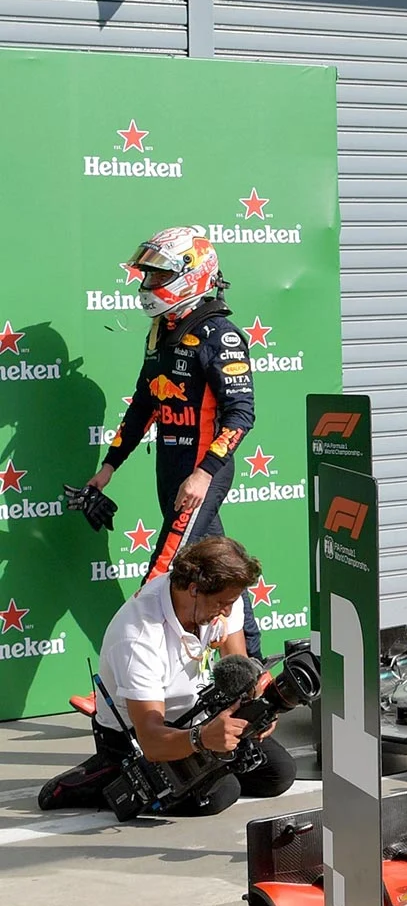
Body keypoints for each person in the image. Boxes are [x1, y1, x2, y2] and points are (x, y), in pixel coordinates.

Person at [86, 227, 260, 659]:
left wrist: (203, 475)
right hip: (171, 474)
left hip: (200, 476)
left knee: (160, 578)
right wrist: (108, 467)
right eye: (147, 276)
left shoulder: (220, 335)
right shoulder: (160, 331)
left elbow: (241, 416)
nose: (149, 286)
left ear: (193, 275)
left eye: (159, 276)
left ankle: (128, 686)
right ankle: (250, 668)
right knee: (224, 569)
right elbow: (143, 406)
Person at [37, 537, 293, 815]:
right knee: (221, 792)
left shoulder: (222, 595)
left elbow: (239, 671)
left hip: (196, 714)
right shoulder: (138, 635)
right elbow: (151, 739)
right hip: (140, 736)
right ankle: (107, 776)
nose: (228, 611)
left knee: (277, 774)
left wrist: (257, 714)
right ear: (194, 589)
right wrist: (203, 739)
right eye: (222, 604)